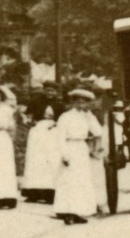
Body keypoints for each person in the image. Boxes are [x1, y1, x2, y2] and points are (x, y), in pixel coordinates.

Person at [53, 87, 105, 224]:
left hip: (81, 148)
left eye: (84, 102)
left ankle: (78, 211)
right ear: (73, 102)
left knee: (81, 181)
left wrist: (90, 118)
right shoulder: (65, 117)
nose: (81, 105)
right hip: (69, 147)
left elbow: (98, 132)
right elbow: (60, 137)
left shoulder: (88, 117)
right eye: (78, 102)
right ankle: (67, 212)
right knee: (69, 180)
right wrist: (64, 154)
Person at [21, 81, 64, 203]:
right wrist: (30, 121)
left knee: (52, 159)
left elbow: (63, 119)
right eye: (48, 90)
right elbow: (26, 115)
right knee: (36, 159)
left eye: (53, 91)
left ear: (56, 92)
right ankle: (33, 192)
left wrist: (56, 124)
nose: (50, 93)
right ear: (44, 90)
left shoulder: (59, 104)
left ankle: (50, 192)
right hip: (38, 131)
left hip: (54, 132)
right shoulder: (36, 101)